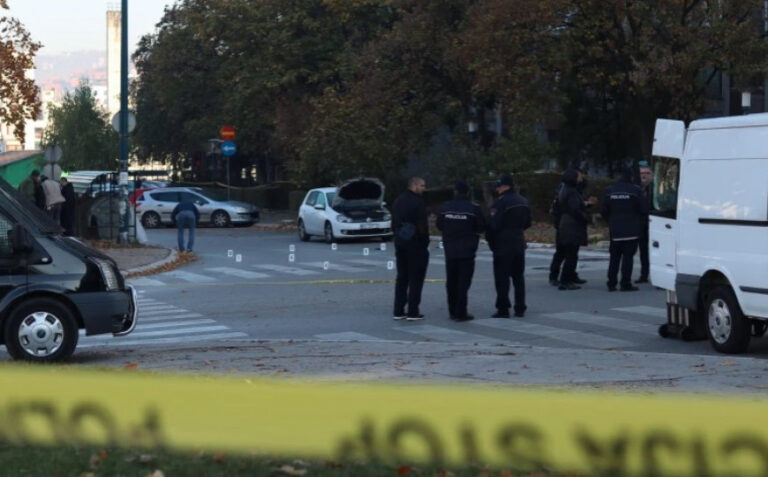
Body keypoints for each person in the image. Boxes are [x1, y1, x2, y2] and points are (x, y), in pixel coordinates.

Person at [436, 180, 485, 322]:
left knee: (451, 280)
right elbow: (481, 227)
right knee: (464, 282)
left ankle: (452, 310)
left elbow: (439, 225)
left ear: (455, 191)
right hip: (467, 250)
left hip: (450, 249)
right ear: (468, 192)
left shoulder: (446, 207)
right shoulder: (473, 208)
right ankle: (460, 312)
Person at [487, 174, 531, 317]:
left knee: (502, 278)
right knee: (518, 277)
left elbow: (493, 225)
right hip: (518, 242)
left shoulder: (499, 203)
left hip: (502, 244)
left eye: (499, 186)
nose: (497, 189)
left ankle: (503, 308)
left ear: (506, 186)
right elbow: (528, 222)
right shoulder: (523, 201)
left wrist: (491, 242)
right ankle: (520, 307)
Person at [601, 167, 647, 292]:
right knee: (628, 258)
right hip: (631, 230)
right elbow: (643, 209)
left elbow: (604, 210)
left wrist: (611, 221)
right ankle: (625, 283)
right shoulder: (636, 191)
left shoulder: (609, 190)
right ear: (631, 177)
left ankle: (611, 283)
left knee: (614, 257)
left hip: (615, 230)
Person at [392, 177, 429, 321]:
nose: (424, 188)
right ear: (413, 185)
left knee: (402, 277)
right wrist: (424, 242)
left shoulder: (398, 200)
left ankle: (398, 310)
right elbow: (422, 225)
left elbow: (394, 222)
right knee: (416, 278)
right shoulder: (418, 202)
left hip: (401, 242)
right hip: (415, 244)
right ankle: (413, 311)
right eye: (422, 185)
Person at [556, 168, 594, 290]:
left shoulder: (565, 190)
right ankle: (566, 280)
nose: (580, 178)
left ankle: (567, 278)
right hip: (572, 226)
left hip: (566, 224)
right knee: (571, 254)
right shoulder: (571, 192)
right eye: (578, 176)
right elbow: (575, 209)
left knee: (570, 253)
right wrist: (586, 218)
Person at [636, 160, 653, 283]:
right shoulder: (637, 189)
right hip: (641, 224)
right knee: (643, 251)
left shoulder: (655, 189)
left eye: (647, 173)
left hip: (653, 223)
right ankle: (644, 274)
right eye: (642, 173)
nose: (644, 175)